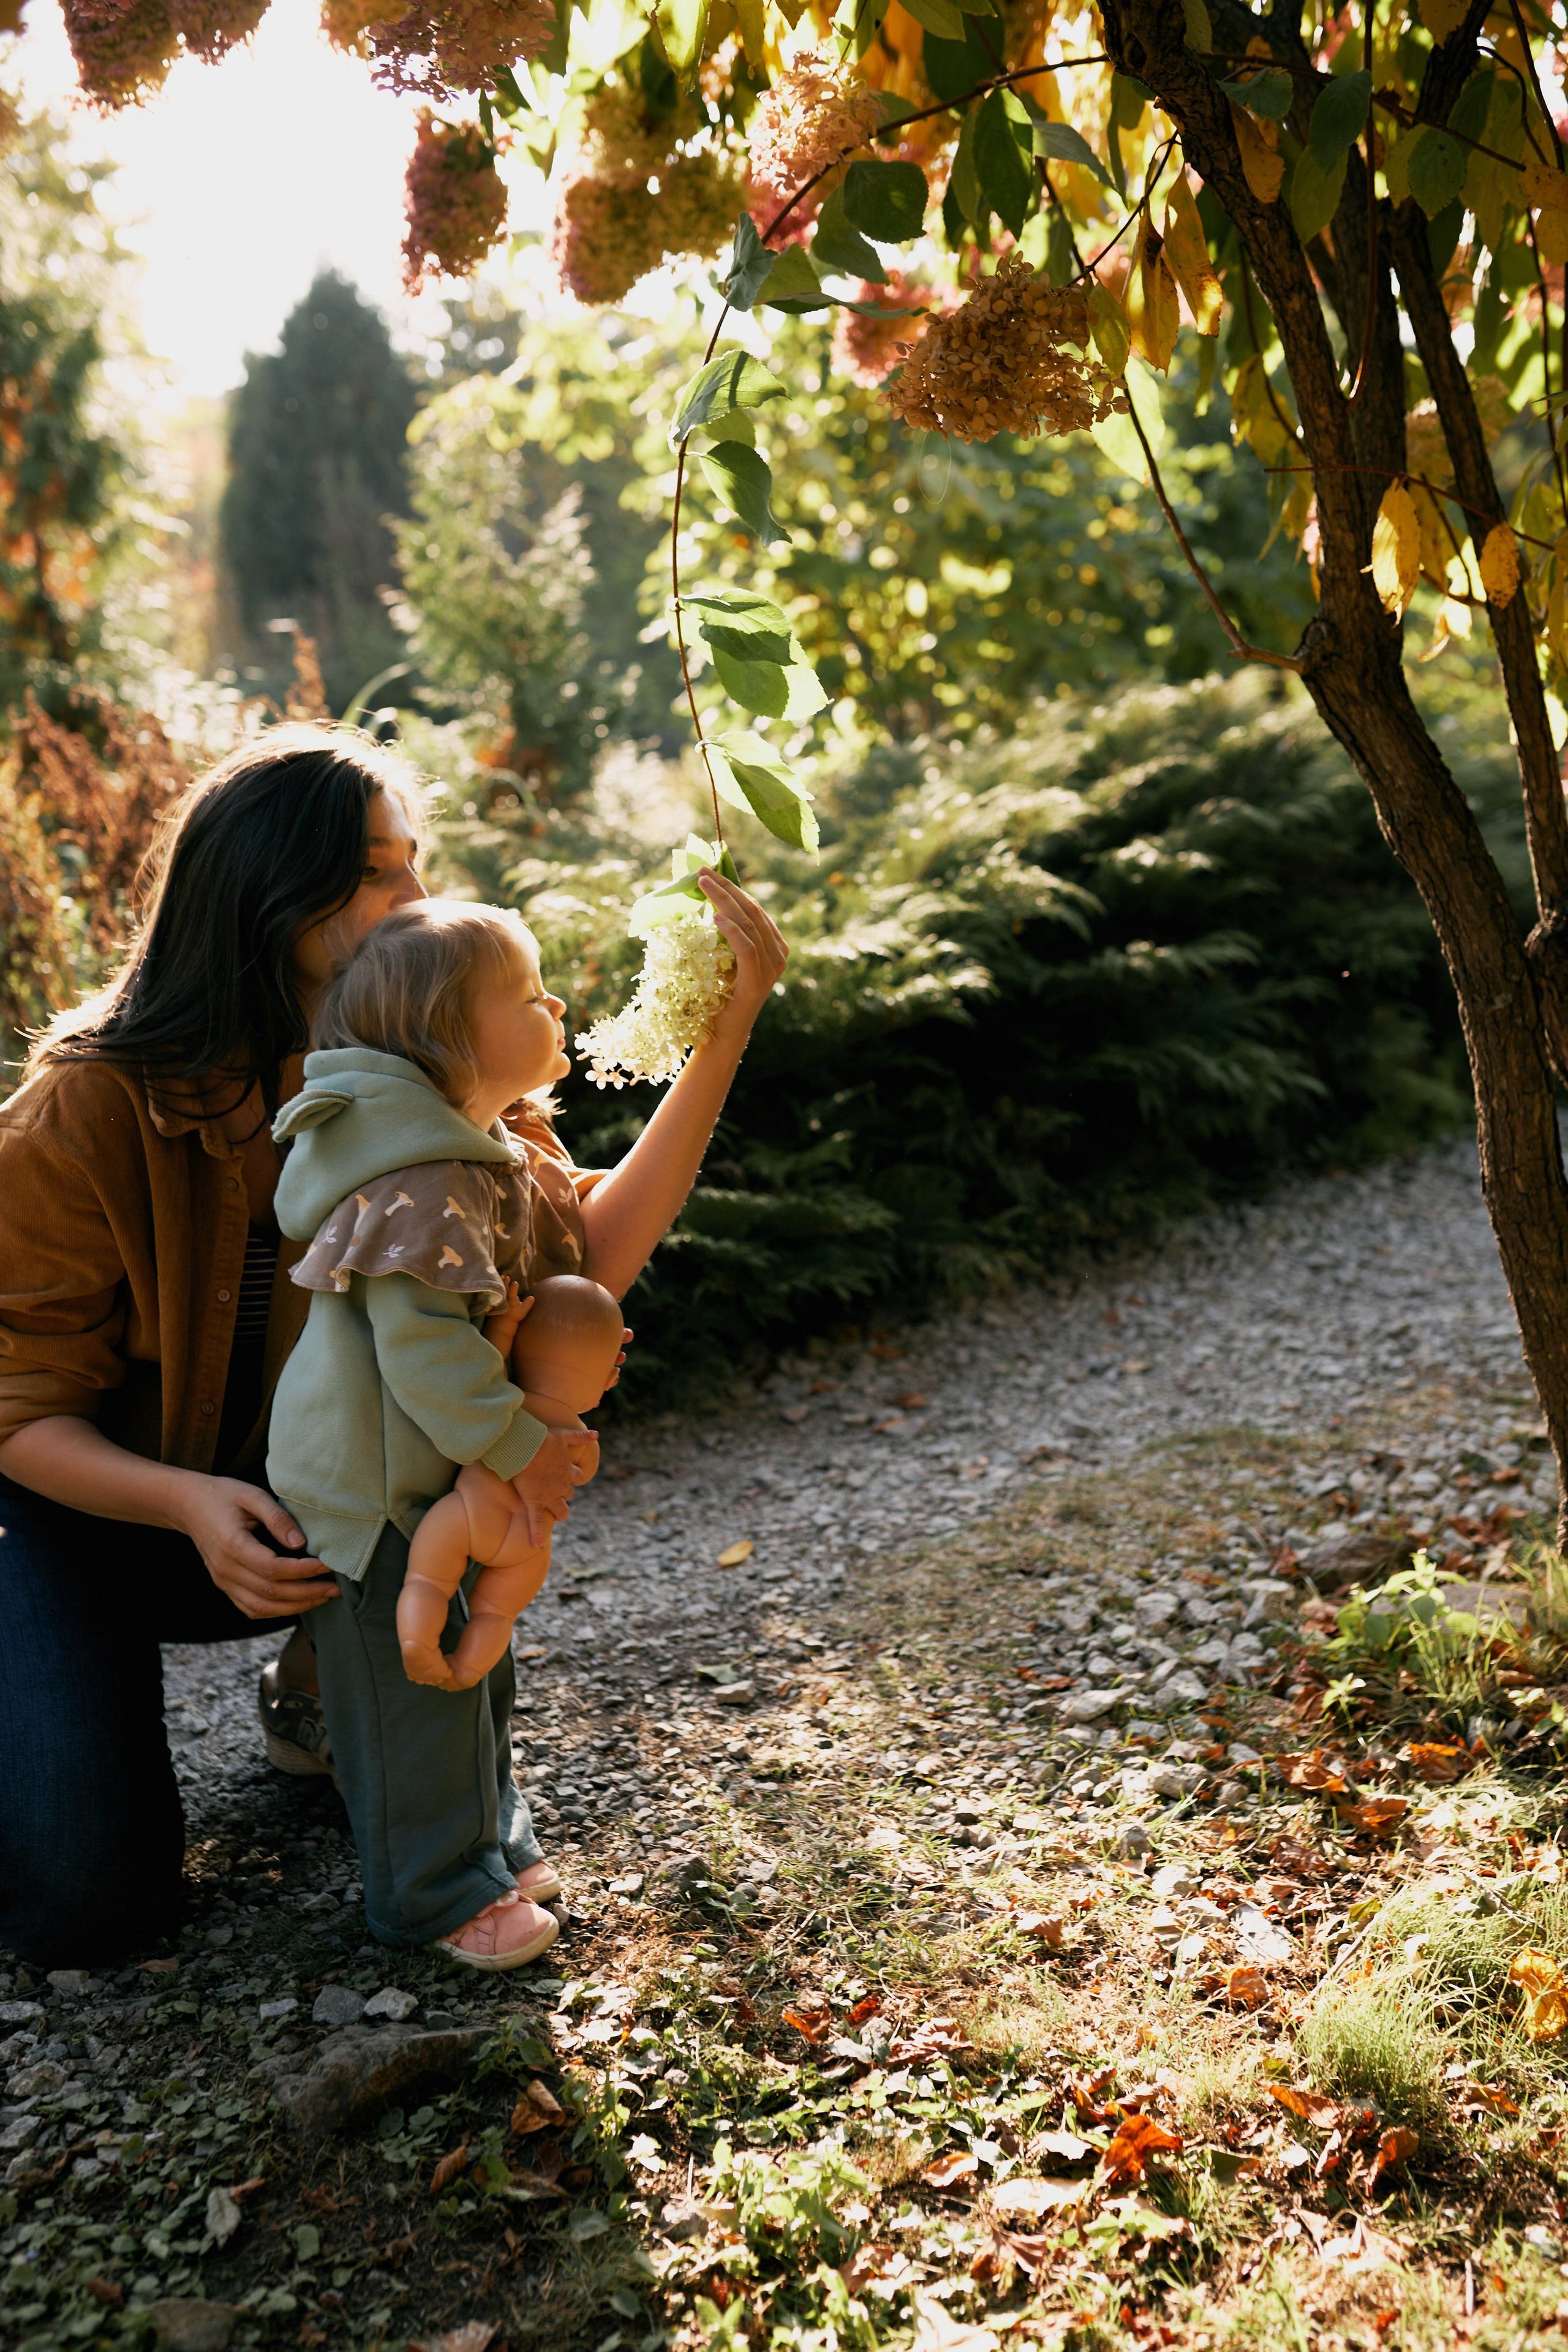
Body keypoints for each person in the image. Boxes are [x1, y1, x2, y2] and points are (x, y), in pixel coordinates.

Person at [0, 723, 786, 1967]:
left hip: (328, 1506)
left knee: (528, 1353)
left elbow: (577, 1258)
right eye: (377, 871)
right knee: (87, 1904)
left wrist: (723, 1037)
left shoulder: (432, 1066)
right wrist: (190, 1506)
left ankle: (328, 1690)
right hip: (84, 1519)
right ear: (268, 895)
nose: (415, 894)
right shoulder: (85, 1106)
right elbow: (16, 1408)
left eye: (414, 861)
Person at [268, 902, 631, 1968]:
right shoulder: (422, 1178)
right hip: (374, 1484)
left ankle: (484, 1839)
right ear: (451, 1041)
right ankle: (430, 1892)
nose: (554, 1004)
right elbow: (421, 1346)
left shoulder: (462, 1154)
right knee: (408, 1686)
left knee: (477, 1659)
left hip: (428, 1468)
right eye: (526, 994)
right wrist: (522, 1448)